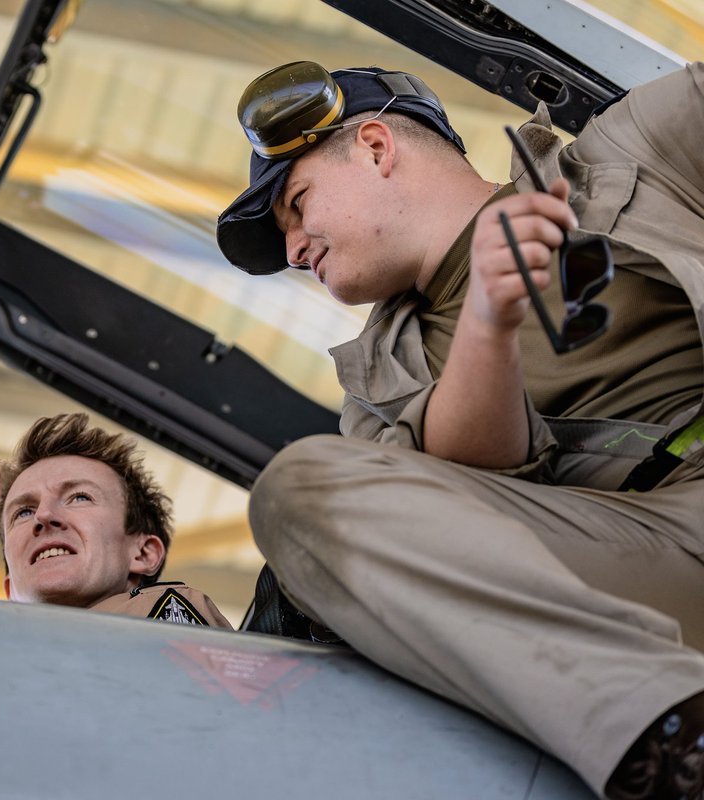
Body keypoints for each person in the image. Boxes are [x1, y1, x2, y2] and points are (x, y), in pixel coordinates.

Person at [215, 61, 704, 799]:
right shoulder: (374, 404)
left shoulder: (632, 155)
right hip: (655, 561)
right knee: (298, 492)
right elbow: (477, 480)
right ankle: (674, 738)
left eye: (297, 204)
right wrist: (488, 320)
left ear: (376, 147)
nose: (292, 251)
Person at [0, 412, 231, 628]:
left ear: (142, 554)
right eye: (23, 512)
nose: (43, 515)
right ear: (10, 587)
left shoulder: (169, 612)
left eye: (80, 497)